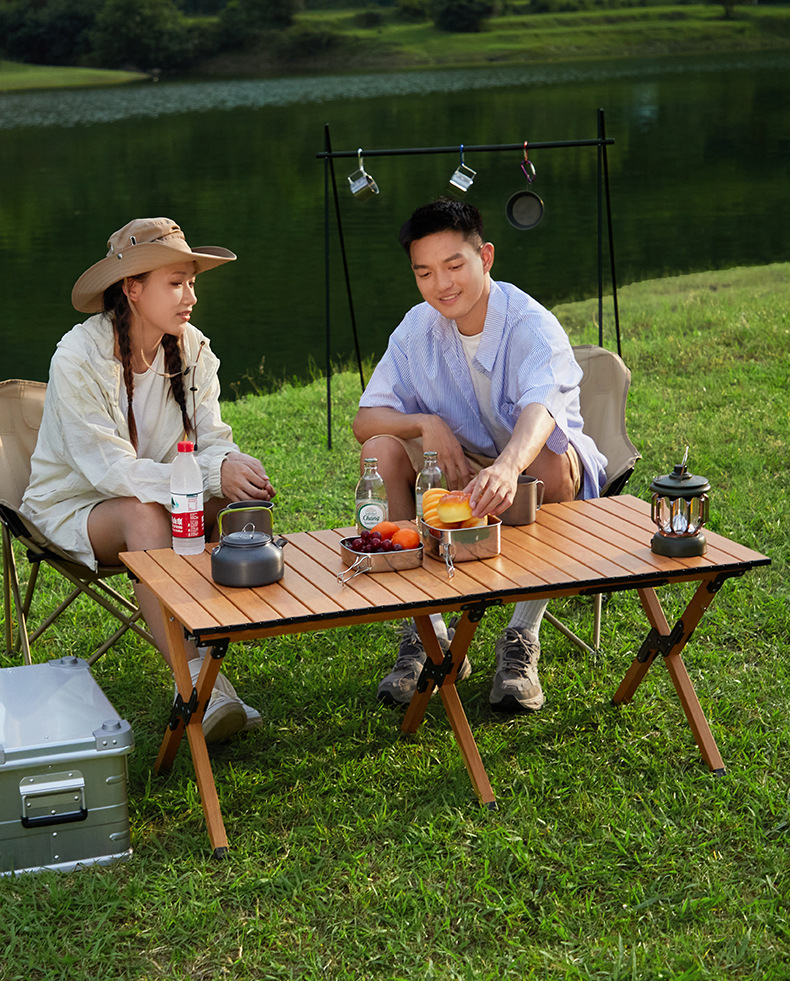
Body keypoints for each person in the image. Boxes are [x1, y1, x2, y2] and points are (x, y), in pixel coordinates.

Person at [21, 217, 275, 742]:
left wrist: (232, 463)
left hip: (165, 495)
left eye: (192, 282)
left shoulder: (193, 347)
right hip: (78, 505)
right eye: (175, 283)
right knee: (146, 513)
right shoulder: (77, 358)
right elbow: (111, 472)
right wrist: (208, 470)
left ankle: (210, 655)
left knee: (228, 500)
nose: (191, 297)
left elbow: (213, 438)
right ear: (132, 289)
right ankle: (203, 692)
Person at [352, 198, 607, 713]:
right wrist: (426, 423)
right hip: (461, 468)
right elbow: (365, 421)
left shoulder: (530, 322)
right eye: (424, 272)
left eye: (454, 266)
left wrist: (508, 466)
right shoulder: (416, 329)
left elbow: (541, 409)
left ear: (485, 257)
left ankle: (521, 639)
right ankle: (429, 631)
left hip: (535, 469)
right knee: (382, 449)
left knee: (548, 461)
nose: (441, 285)